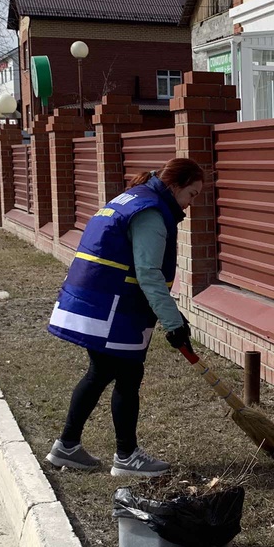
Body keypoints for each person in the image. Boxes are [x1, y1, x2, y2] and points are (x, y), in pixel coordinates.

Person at [45, 158, 204, 477]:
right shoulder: (151, 213)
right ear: (174, 187)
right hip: (111, 306)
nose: (192, 202)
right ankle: (126, 457)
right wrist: (174, 322)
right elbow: (148, 273)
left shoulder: (134, 197)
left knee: (102, 372)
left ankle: (68, 446)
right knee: (126, 376)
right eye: (193, 193)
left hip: (94, 300)